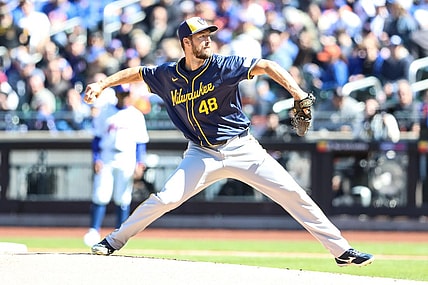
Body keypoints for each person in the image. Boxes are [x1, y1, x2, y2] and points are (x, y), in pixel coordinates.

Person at [84, 17, 374, 267]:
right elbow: (137, 73)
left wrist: (297, 93)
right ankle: (113, 240)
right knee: (165, 199)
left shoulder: (224, 66)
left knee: (293, 194)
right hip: (201, 153)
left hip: (242, 148)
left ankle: (340, 250)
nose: (208, 41)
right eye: (202, 37)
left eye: (210, 35)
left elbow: (268, 65)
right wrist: (100, 84)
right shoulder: (168, 75)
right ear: (187, 42)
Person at [83, 83, 150, 247]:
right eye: (122, 94)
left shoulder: (136, 115)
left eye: (127, 94)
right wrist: (96, 158)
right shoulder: (105, 112)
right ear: (117, 95)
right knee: (101, 193)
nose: (124, 97)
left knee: (123, 196)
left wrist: (140, 162)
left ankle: (120, 232)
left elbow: (141, 142)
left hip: (126, 156)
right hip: (107, 155)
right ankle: (94, 229)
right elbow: (97, 138)